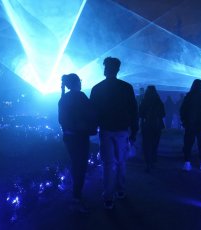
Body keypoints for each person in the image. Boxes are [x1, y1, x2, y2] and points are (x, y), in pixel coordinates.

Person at [90, 57, 138, 209]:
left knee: (108, 164)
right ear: (117, 70)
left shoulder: (97, 88)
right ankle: (120, 190)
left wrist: (93, 128)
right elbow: (133, 111)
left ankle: (108, 197)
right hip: (122, 130)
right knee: (121, 161)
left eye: (105, 67)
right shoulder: (127, 87)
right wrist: (134, 131)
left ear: (106, 69)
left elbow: (93, 112)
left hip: (106, 130)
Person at [58, 73, 96, 212]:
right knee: (81, 166)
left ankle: (76, 195)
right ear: (76, 83)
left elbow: (61, 120)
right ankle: (77, 197)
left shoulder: (63, 99)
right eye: (79, 81)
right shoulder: (81, 97)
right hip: (80, 137)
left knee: (75, 164)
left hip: (69, 138)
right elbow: (91, 113)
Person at [180, 79, 201, 171]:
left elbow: (182, 110)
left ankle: (187, 163)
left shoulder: (188, 97)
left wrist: (184, 121)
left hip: (190, 125)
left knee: (188, 144)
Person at [139, 86, 165, 172]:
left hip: (146, 125)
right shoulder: (158, 101)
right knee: (154, 144)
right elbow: (163, 113)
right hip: (157, 126)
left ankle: (148, 163)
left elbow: (140, 113)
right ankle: (153, 160)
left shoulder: (144, 101)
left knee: (146, 144)